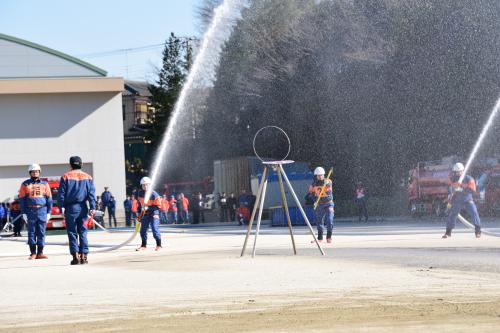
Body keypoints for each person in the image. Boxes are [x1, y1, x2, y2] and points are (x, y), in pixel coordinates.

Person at [58, 156, 96, 265]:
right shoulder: (88, 177)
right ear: (81, 164)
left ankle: (75, 257)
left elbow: (61, 194)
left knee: (72, 232)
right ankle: (84, 256)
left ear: (70, 165)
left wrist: (61, 207)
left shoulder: (65, 176)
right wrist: (92, 207)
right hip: (83, 207)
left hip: (70, 208)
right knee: (83, 231)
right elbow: (91, 194)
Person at [18, 163, 53, 259]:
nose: (35, 173)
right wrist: (24, 212)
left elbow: (49, 199)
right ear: (30, 173)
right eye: (33, 172)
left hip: (42, 209)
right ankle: (33, 253)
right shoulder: (25, 184)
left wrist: (49, 212)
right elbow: (22, 199)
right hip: (30, 210)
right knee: (32, 232)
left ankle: (40, 252)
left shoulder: (45, 184)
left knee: (41, 232)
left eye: (37, 171)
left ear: (39, 172)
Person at [443, 162, 481, 239]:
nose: (457, 174)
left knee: (474, 212)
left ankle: (478, 231)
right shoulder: (452, 178)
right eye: (455, 172)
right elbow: (449, 186)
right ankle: (448, 232)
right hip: (456, 200)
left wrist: (462, 189)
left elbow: (472, 190)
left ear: (462, 171)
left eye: (458, 172)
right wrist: (450, 193)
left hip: (467, 199)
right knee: (452, 215)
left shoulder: (469, 179)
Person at [308, 166, 334, 243]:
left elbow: (329, 191)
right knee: (319, 221)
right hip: (319, 204)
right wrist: (315, 201)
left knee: (329, 220)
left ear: (323, 174)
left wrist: (326, 184)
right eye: (318, 175)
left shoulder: (328, 181)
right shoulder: (313, 184)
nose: (319, 177)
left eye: (321, 175)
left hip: (329, 204)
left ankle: (329, 237)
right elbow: (311, 193)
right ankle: (320, 238)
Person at [136, 177, 162, 251]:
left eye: (147, 185)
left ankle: (159, 245)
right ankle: (143, 245)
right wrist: (139, 214)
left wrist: (148, 208)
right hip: (145, 214)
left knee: (154, 228)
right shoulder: (140, 193)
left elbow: (158, 206)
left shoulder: (154, 194)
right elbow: (140, 204)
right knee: (142, 230)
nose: (145, 186)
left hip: (154, 214)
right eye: (143, 185)